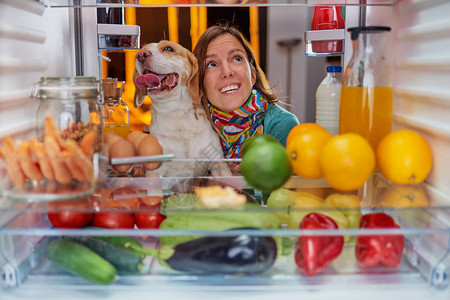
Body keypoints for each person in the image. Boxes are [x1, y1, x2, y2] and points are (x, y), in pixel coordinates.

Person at [193, 24, 299, 163]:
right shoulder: (191, 128)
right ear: (199, 83)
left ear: (253, 74)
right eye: (212, 64)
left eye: (236, 58)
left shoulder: (280, 125)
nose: (227, 72)